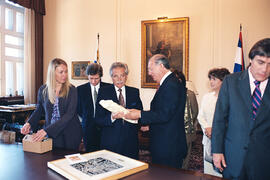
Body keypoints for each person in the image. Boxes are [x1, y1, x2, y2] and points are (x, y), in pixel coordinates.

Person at [212, 38, 270, 180]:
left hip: (264, 161)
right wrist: (217, 151)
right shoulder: (230, 82)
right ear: (251, 59)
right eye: (260, 62)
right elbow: (219, 119)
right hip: (233, 157)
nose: (265, 69)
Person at [125, 54, 187, 168]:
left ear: (161, 66)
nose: (149, 73)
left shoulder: (171, 85)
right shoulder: (168, 83)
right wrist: (150, 126)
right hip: (166, 143)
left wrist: (139, 114)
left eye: (150, 69)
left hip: (169, 146)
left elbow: (165, 114)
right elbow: (168, 114)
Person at [21, 58, 82, 150]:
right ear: (52, 73)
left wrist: (46, 130)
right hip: (51, 134)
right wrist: (29, 123)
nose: (64, 75)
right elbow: (39, 110)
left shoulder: (72, 89)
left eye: (66, 71)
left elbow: (69, 115)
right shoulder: (43, 90)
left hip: (70, 133)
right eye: (61, 72)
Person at [95, 62, 143, 159]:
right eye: (115, 76)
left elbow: (140, 116)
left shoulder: (134, 92)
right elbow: (98, 119)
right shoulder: (103, 92)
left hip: (130, 143)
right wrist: (112, 117)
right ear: (111, 77)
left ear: (126, 76)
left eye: (122, 75)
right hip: (110, 143)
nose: (119, 79)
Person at [197, 68, 230, 176]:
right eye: (210, 79)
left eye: (214, 79)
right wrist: (207, 128)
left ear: (223, 80)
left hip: (223, 140)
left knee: (221, 170)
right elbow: (200, 115)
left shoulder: (230, 98)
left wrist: (215, 131)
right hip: (208, 137)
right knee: (208, 171)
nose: (211, 82)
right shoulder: (207, 97)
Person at [77, 63, 110, 152]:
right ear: (87, 76)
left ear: (101, 76)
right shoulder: (80, 90)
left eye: (96, 78)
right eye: (91, 78)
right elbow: (79, 109)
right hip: (88, 129)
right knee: (90, 155)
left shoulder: (108, 88)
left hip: (105, 129)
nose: (94, 81)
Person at [173, 70, 199, 169]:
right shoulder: (168, 93)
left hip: (186, 132)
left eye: (178, 80)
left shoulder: (190, 94)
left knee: (185, 158)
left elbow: (195, 112)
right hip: (172, 133)